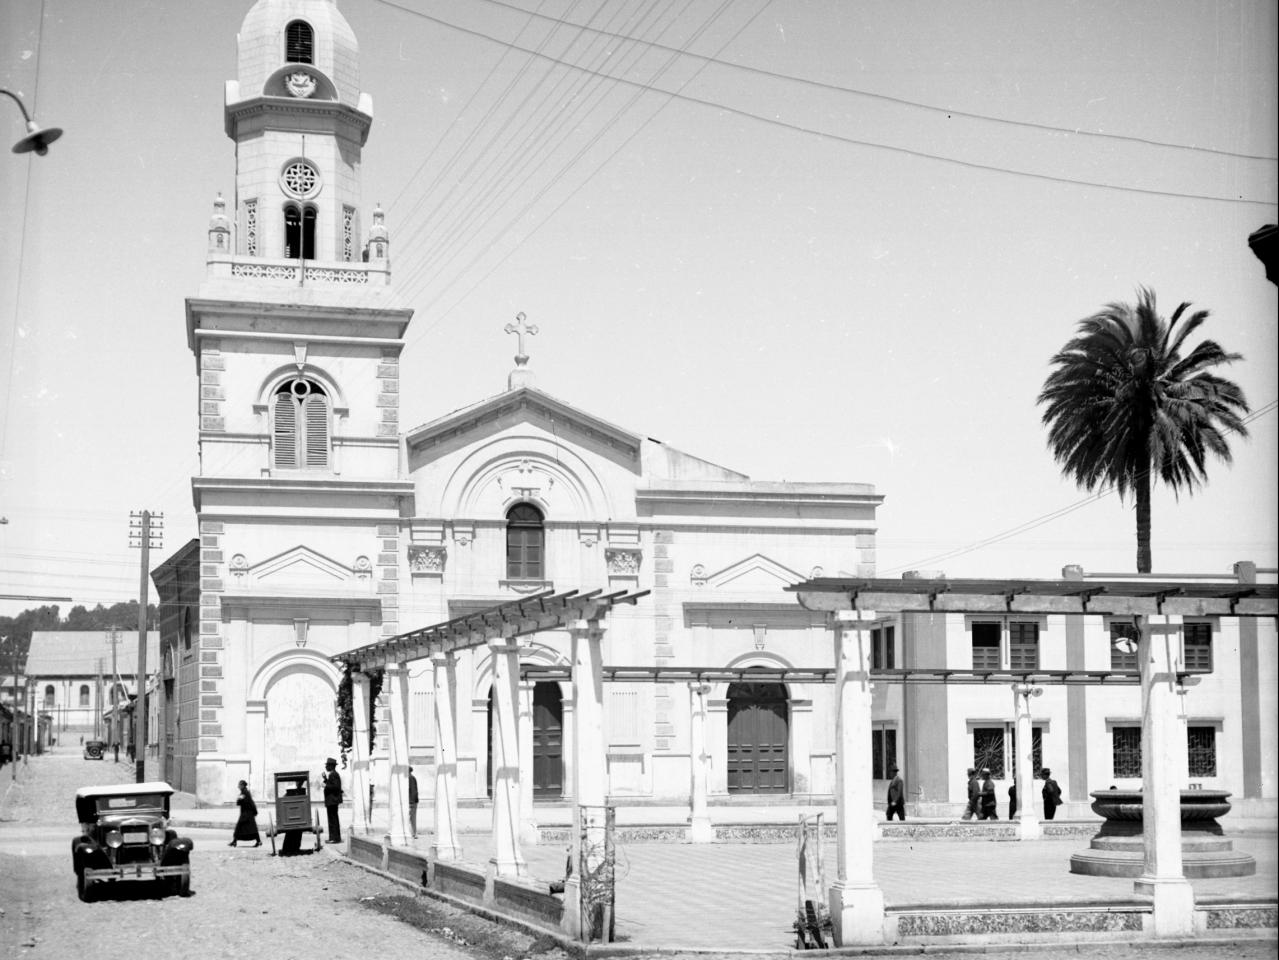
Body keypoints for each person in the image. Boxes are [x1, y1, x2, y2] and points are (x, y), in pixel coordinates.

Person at [228, 780, 261, 847]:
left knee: (240, 827)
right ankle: (258, 841)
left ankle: (234, 841)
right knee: (251, 828)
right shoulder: (244, 792)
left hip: (247, 813)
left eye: (239, 785)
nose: (238, 786)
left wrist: (239, 799)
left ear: (242, 785)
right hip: (248, 813)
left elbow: (239, 802)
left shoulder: (244, 793)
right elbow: (240, 802)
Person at [322, 757, 344, 843]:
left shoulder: (334, 774)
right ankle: (332, 838)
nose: (326, 767)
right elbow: (332, 784)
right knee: (332, 820)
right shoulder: (332, 774)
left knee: (333, 820)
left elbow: (336, 787)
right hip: (331, 801)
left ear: (331, 766)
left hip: (333, 801)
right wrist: (325, 779)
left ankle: (335, 838)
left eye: (327, 765)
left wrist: (326, 786)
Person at [407, 766, 419, 839]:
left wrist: (411, 802)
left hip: (412, 802)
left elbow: (413, 791)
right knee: (411, 818)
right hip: (411, 801)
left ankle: (414, 833)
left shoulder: (411, 778)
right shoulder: (409, 778)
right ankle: (413, 833)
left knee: (412, 818)